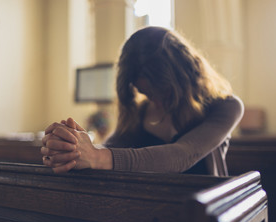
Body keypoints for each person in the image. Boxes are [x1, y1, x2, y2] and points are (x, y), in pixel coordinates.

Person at [41, 26, 244, 175]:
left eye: (161, 91)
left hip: (205, 215)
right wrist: (72, 146)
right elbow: (111, 147)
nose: (154, 101)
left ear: (181, 76)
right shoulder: (140, 112)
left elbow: (183, 154)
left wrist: (96, 157)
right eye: (145, 93)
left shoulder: (226, 106)